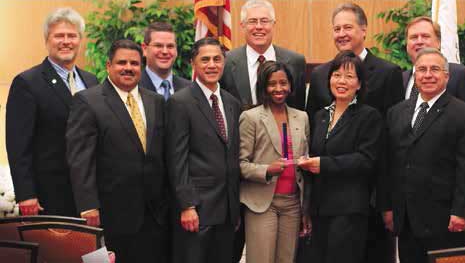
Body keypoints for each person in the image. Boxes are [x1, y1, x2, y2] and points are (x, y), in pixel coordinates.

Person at [305, 3, 402, 263]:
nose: (341, 34)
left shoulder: (389, 73)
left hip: (370, 196)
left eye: (348, 27)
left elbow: (392, 145)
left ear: (364, 30)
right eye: (336, 28)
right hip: (325, 200)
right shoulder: (319, 75)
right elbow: (313, 134)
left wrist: (387, 200)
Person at [66, 39, 169, 263]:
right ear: (108, 66)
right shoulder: (87, 101)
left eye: (134, 63)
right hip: (110, 215)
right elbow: (80, 159)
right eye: (121, 62)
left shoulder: (156, 101)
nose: (128, 68)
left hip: (154, 215)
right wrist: (88, 206)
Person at [380, 48, 465, 263]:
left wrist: (461, 212)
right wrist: (388, 207)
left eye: (435, 69)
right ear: (414, 75)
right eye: (422, 70)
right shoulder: (396, 112)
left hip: (446, 220)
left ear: (447, 75)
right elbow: (389, 164)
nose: (428, 75)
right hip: (407, 219)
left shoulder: (464, 115)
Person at [6, 7, 98, 217]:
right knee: (54, 251)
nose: (66, 41)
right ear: (47, 40)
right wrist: (25, 194)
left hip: (90, 197)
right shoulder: (27, 83)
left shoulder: (92, 81)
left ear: (80, 40)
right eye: (59, 35)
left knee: (90, 251)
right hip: (49, 196)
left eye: (72, 36)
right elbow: (18, 145)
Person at [298, 51, 382, 263]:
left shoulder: (369, 116)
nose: (341, 81)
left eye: (349, 76)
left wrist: (323, 165)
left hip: (349, 209)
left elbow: (366, 160)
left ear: (360, 84)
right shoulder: (320, 116)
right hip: (319, 208)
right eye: (336, 75)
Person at [166, 37, 242, 263]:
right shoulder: (180, 102)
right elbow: (176, 159)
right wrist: (187, 205)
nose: (212, 65)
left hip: (228, 211)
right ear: (193, 64)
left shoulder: (231, 102)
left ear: (224, 62)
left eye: (217, 59)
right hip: (198, 210)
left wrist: (235, 207)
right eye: (205, 59)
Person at [239, 60, 310, 263]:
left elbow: (305, 163)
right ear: (263, 86)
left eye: (283, 83)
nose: (278, 89)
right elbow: (240, 164)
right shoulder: (250, 117)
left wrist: (306, 208)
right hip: (262, 203)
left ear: (291, 85)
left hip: (293, 204)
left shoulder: (302, 117)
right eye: (272, 83)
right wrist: (267, 170)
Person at [220, 0, 306, 110]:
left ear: (273, 24)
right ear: (242, 26)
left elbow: (298, 109)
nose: (259, 27)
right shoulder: (226, 62)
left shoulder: (295, 61)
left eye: (264, 21)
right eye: (252, 21)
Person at [402, 16, 465, 111]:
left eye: (425, 36)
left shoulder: (461, 75)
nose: (419, 41)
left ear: (438, 43)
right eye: (414, 37)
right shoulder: (400, 78)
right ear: (407, 44)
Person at [140, 21, 191, 98]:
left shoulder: (190, 89)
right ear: (144, 49)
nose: (165, 51)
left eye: (170, 46)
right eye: (158, 46)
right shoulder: (133, 87)